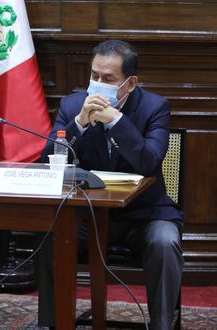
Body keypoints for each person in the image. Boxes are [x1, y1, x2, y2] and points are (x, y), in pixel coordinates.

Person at [36, 40, 183, 330]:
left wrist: (116, 120)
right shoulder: (72, 105)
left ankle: (162, 325)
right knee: (48, 239)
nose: (98, 84)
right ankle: (52, 324)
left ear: (130, 83)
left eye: (108, 79)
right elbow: (47, 163)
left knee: (165, 242)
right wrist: (79, 123)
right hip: (87, 215)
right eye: (94, 76)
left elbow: (149, 161)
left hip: (144, 215)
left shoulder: (155, 107)